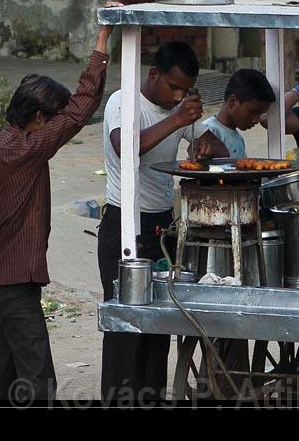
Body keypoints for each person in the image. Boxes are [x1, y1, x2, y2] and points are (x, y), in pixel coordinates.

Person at [0, 1, 121, 402]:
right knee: (37, 380)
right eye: (54, 119)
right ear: (39, 118)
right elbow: (82, 109)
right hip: (14, 283)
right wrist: (102, 39)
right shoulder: (29, 147)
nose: (57, 126)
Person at [98, 40, 228, 404]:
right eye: (173, 87)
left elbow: (218, 148)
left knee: (159, 324)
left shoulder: (176, 108)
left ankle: (152, 398)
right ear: (153, 74)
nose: (178, 96)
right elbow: (126, 148)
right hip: (124, 224)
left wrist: (204, 144)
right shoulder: (124, 102)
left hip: (162, 228)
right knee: (125, 323)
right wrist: (177, 120)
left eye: (185, 90)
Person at [201, 68, 276, 158]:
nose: (256, 120)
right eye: (253, 112)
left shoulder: (238, 138)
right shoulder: (207, 131)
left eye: (260, 114)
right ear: (233, 102)